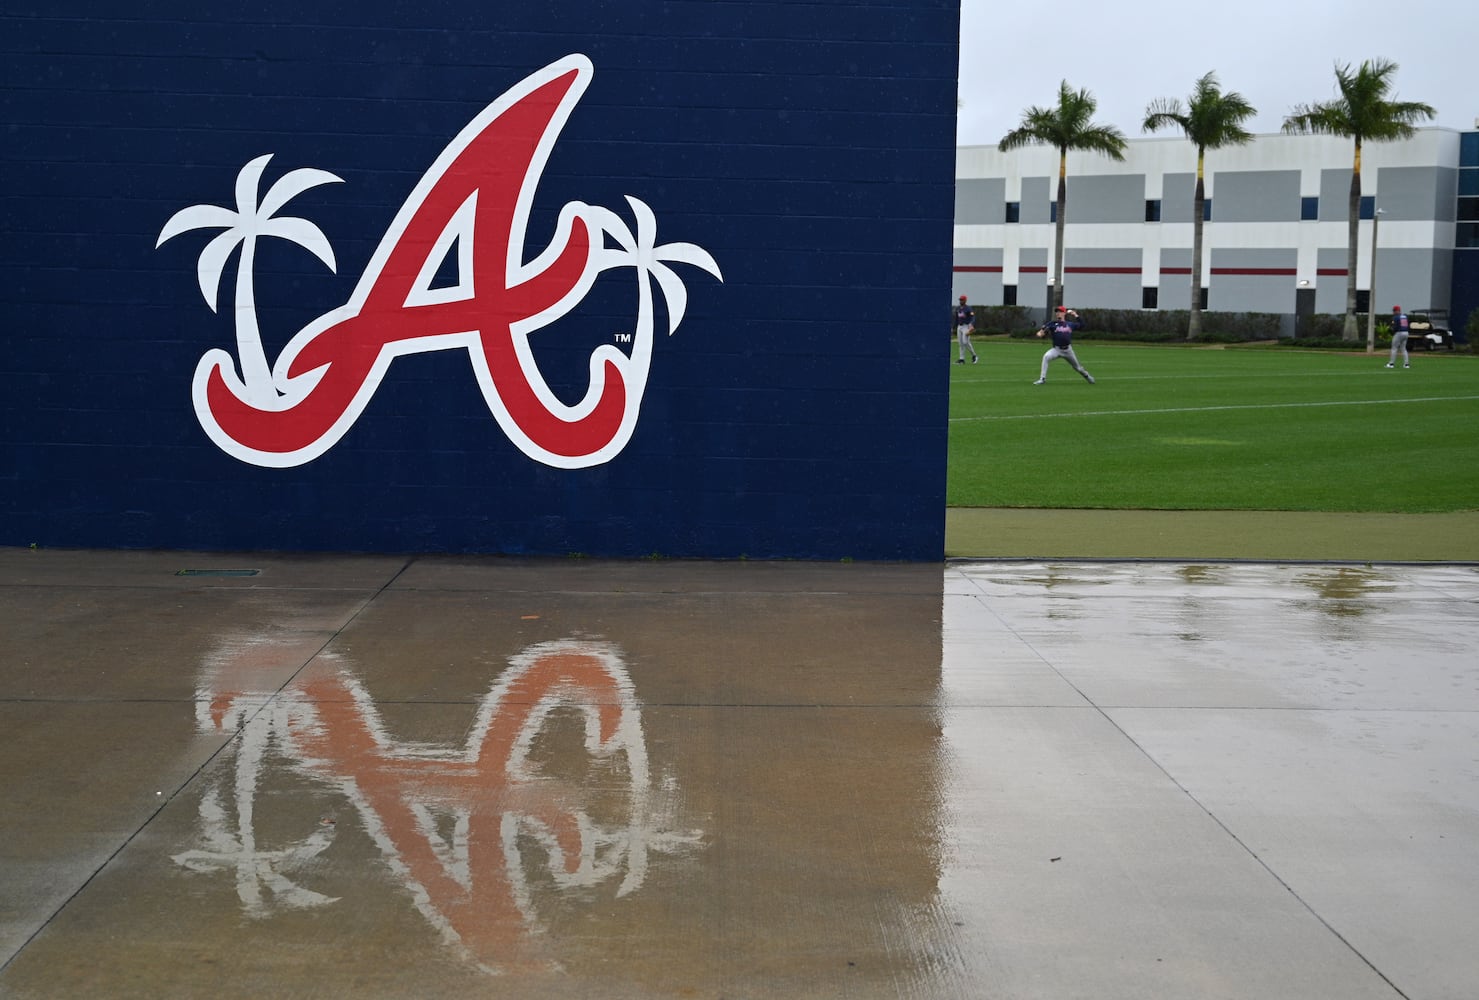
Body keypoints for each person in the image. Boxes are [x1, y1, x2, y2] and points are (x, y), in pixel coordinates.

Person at [1033, 305, 1094, 384]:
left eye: (1060, 311)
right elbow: (1041, 332)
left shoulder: (1070, 324)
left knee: (1078, 368)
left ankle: (1087, 376)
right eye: (1057, 312)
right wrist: (1039, 334)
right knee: (1046, 357)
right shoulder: (1052, 323)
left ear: (1064, 313)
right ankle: (1042, 379)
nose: (1058, 313)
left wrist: (1075, 315)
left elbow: (1082, 325)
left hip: (1068, 350)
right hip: (1057, 350)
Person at [953, 295, 978, 365]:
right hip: (959, 327)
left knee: (965, 342)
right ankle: (962, 359)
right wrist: (953, 327)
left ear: (965, 300)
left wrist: (971, 324)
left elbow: (973, 317)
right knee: (960, 343)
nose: (961, 301)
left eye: (962, 300)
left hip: (966, 326)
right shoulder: (958, 308)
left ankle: (974, 356)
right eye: (960, 300)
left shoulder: (968, 308)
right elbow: (956, 319)